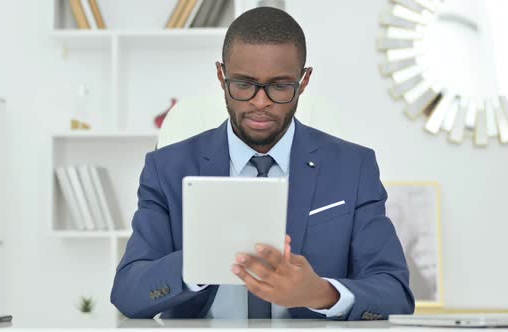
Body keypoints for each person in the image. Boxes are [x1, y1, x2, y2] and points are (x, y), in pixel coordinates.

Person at [111, 7, 415, 320]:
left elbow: (394, 294)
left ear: (304, 80)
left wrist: (321, 293)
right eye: (243, 84)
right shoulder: (168, 169)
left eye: (280, 87)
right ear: (221, 75)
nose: (260, 102)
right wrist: (199, 262)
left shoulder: (354, 168)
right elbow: (128, 294)